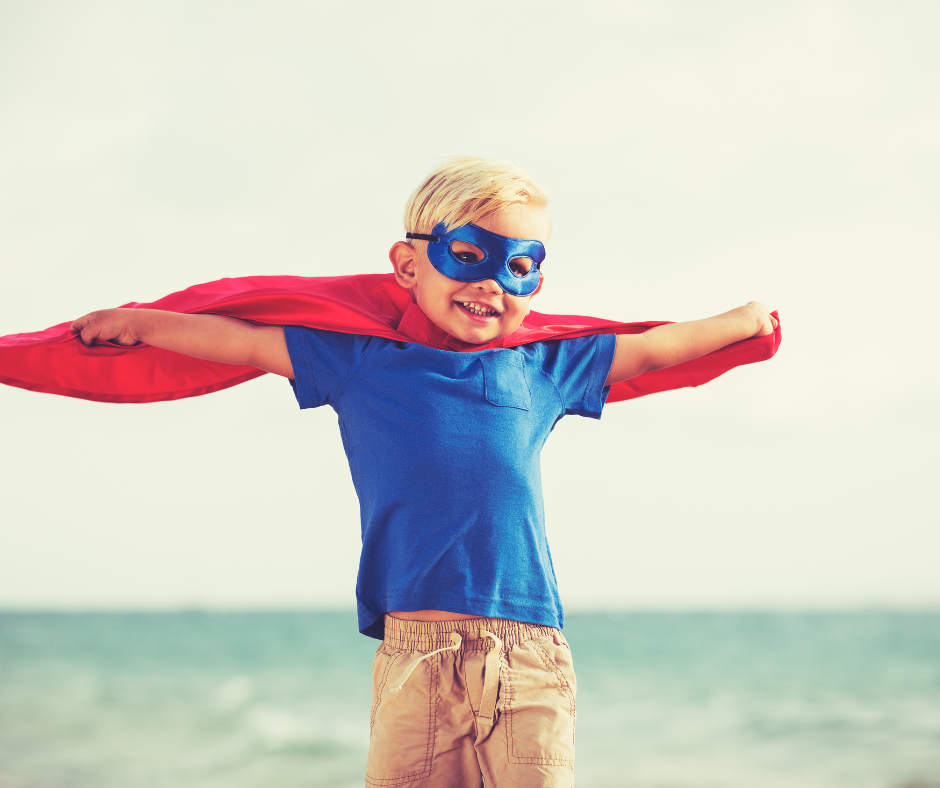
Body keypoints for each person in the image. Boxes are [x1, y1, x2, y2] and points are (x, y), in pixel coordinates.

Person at [67, 156, 777, 787]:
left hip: (527, 654)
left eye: (518, 267)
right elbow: (245, 342)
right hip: (414, 657)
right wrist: (144, 324)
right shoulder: (362, 363)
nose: (491, 283)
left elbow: (653, 348)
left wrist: (742, 319)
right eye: (467, 256)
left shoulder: (543, 367)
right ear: (409, 266)